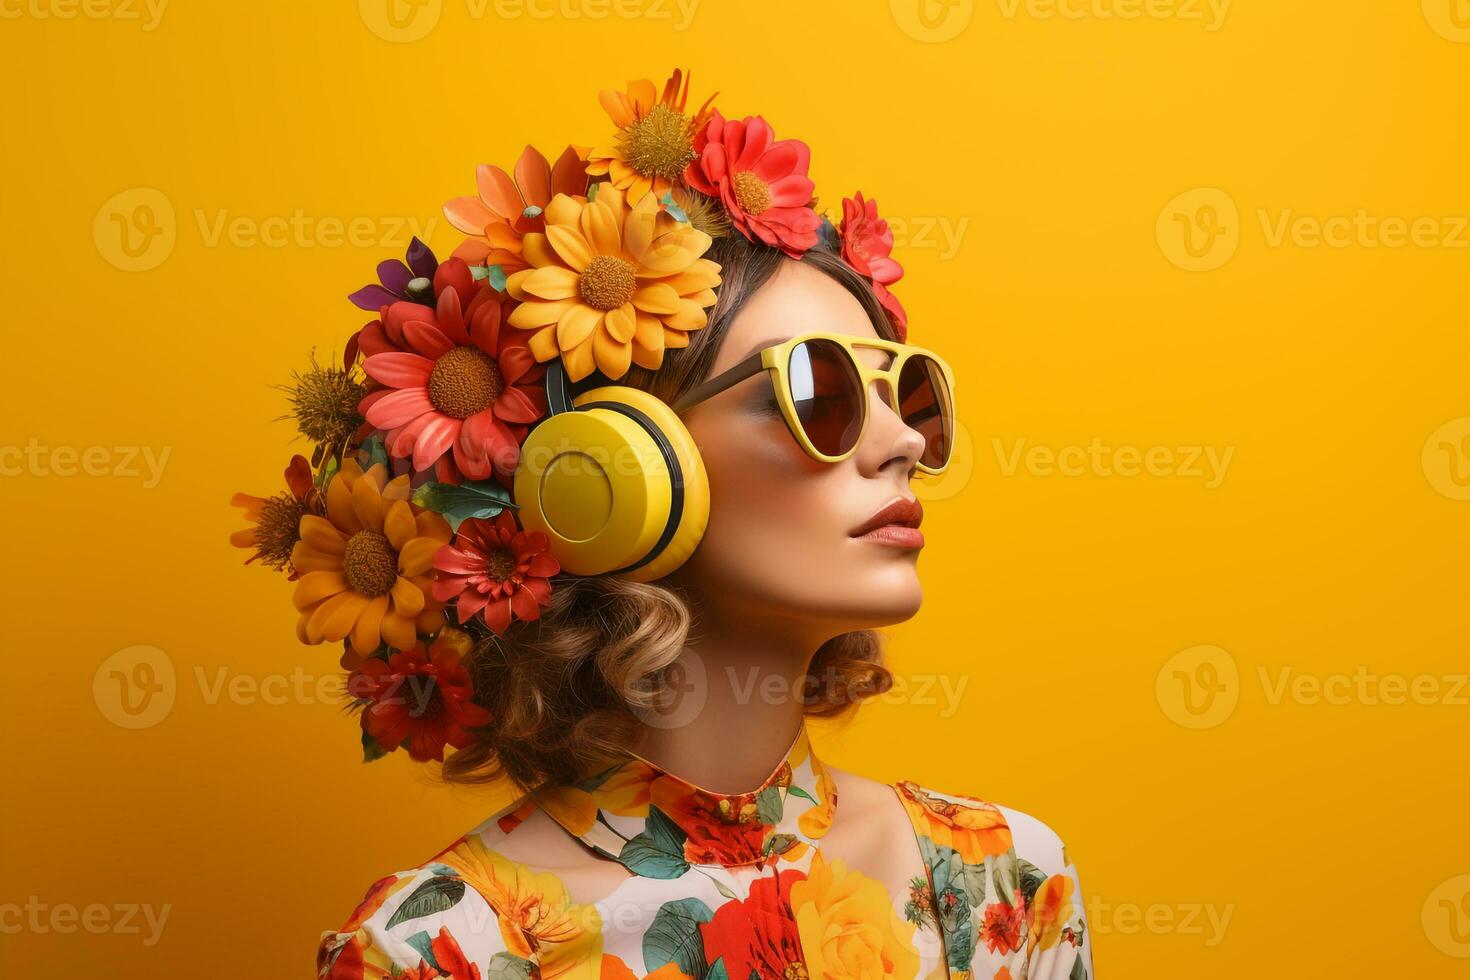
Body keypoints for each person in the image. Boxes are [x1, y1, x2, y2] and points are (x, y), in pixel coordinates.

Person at [250, 70, 1093, 980]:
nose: (899, 443)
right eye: (818, 390)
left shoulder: (1008, 883)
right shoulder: (443, 954)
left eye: (908, 393)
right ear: (613, 469)